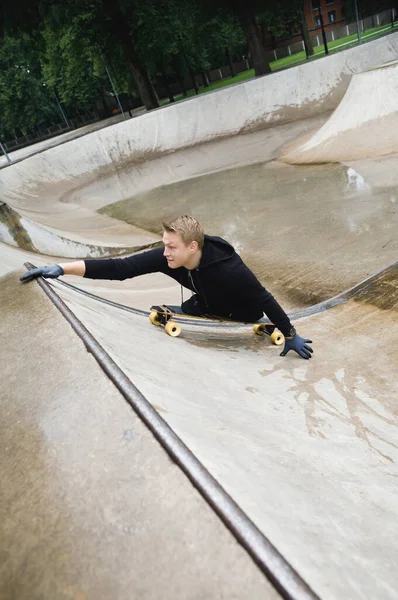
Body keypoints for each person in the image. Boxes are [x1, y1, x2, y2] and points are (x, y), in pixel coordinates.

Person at [20, 215, 313, 359]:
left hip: (243, 308)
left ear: (193, 246)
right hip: (208, 297)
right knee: (191, 307)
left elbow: (265, 298)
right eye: (164, 244)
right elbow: (120, 269)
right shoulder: (168, 258)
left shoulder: (230, 269)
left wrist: (290, 334)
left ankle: (209, 308)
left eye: (172, 247)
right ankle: (201, 307)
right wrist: (62, 269)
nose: (165, 253)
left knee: (231, 308)